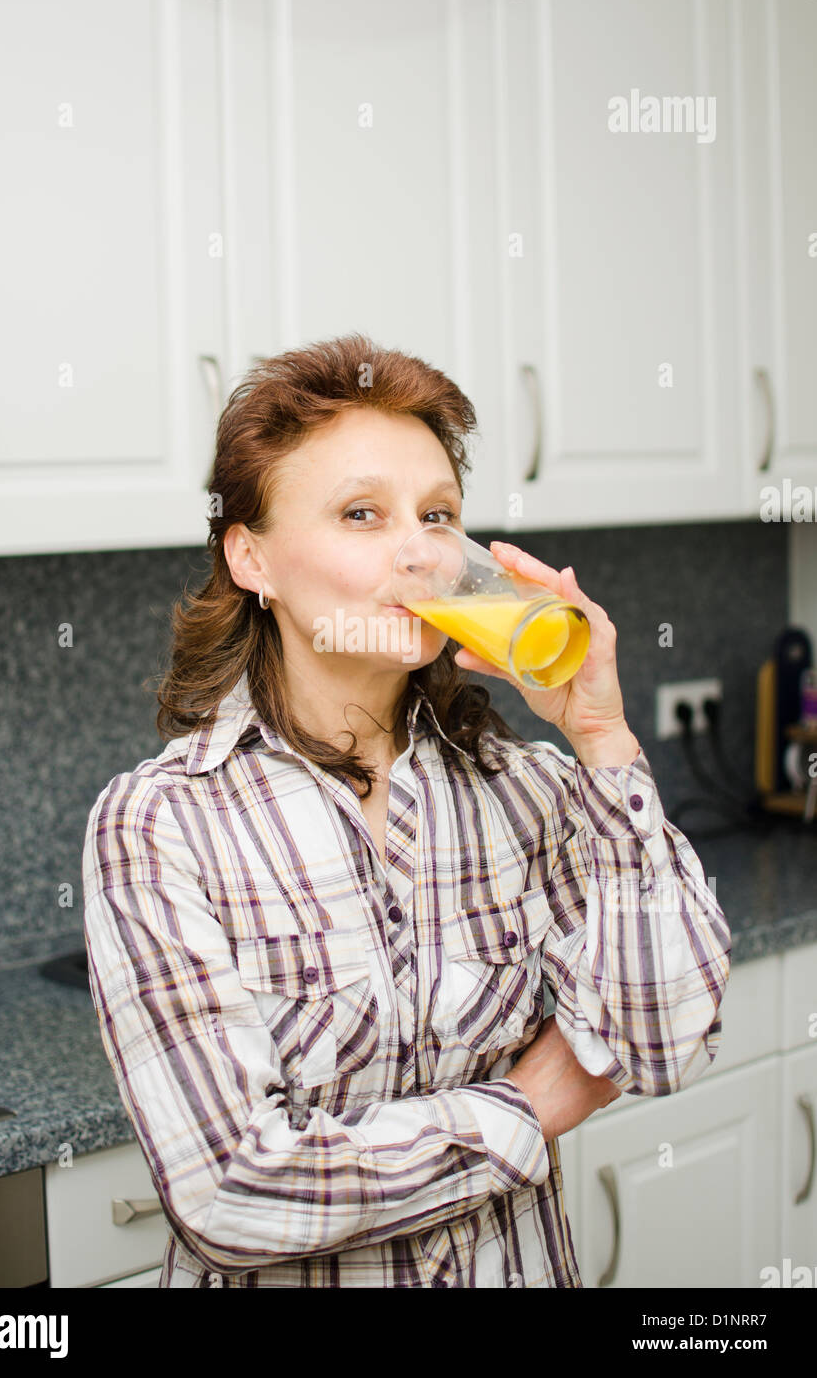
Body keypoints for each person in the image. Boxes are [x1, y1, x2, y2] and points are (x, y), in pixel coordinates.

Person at [82, 332, 731, 1288]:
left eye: (437, 516)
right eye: (360, 514)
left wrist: (602, 739)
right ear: (251, 558)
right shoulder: (160, 827)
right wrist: (527, 1106)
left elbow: (667, 1042)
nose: (419, 554)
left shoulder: (537, 792)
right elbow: (234, 1194)